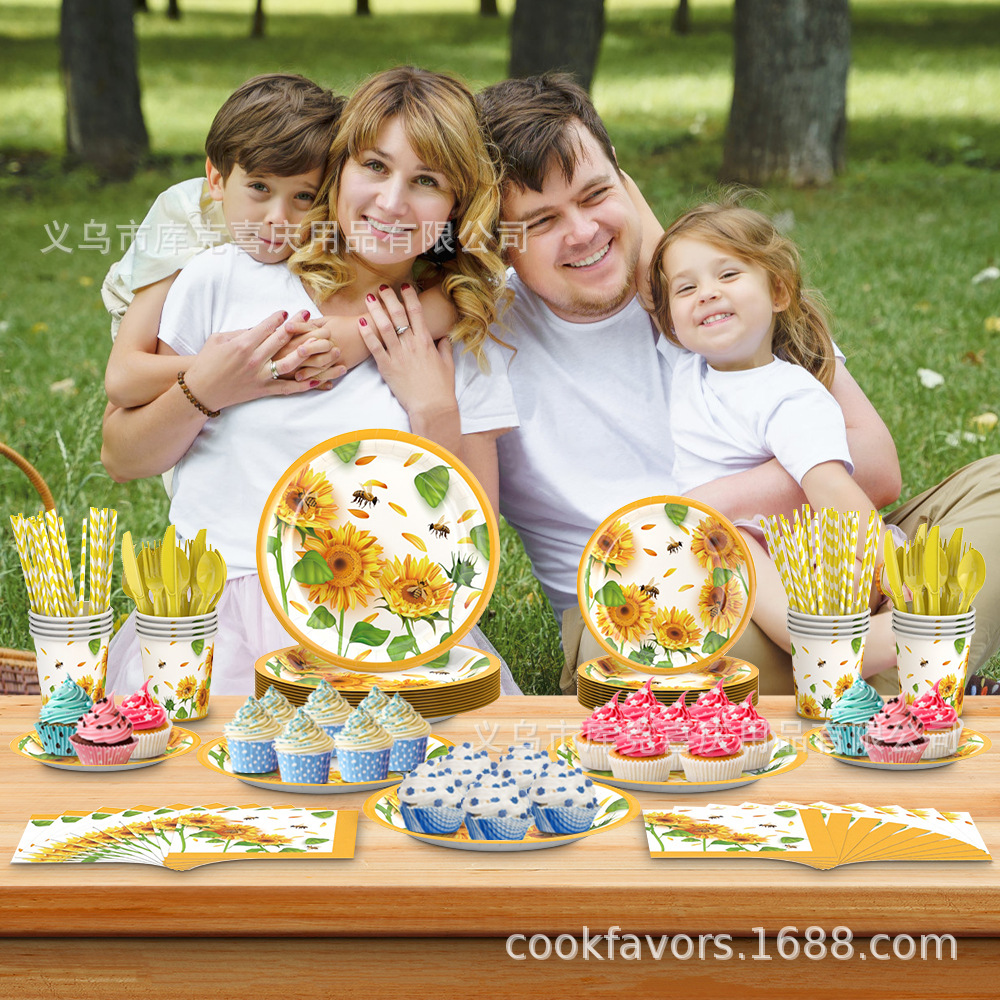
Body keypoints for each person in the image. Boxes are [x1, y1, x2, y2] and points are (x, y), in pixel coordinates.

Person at [471, 73, 1000, 696]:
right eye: (543, 220)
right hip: (658, 603)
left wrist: (718, 502)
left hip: (826, 552)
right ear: (500, 240)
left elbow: (879, 469)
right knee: (644, 652)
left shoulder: (715, 290)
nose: (584, 232)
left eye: (595, 194)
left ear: (624, 179)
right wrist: (696, 523)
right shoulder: (481, 338)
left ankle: (874, 668)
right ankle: (911, 669)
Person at [101, 66, 517, 696]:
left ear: (457, 205)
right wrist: (204, 389)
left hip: (384, 625)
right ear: (337, 169)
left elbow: (466, 550)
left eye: (426, 182)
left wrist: (433, 410)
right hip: (224, 616)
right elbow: (121, 456)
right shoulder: (224, 280)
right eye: (374, 167)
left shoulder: (461, 332)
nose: (392, 202)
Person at [647, 198, 892, 672]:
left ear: (778, 292)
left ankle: (830, 649)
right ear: (671, 321)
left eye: (729, 275)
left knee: (728, 542)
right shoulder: (689, 366)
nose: (706, 294)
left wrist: (888, 575)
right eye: (687, 287)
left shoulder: (786, 395)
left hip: (814, 565)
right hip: (759, 558)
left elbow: (834, 491)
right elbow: (651, 266)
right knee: (721, 543)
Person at [103, 73, 346, 411]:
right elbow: (124, 378)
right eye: (260, 187)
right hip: (181, 379)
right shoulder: (187, 217)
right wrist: (248, 365)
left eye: (303, 196)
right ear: (217, 180)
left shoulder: (339, 226)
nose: (277, 217)